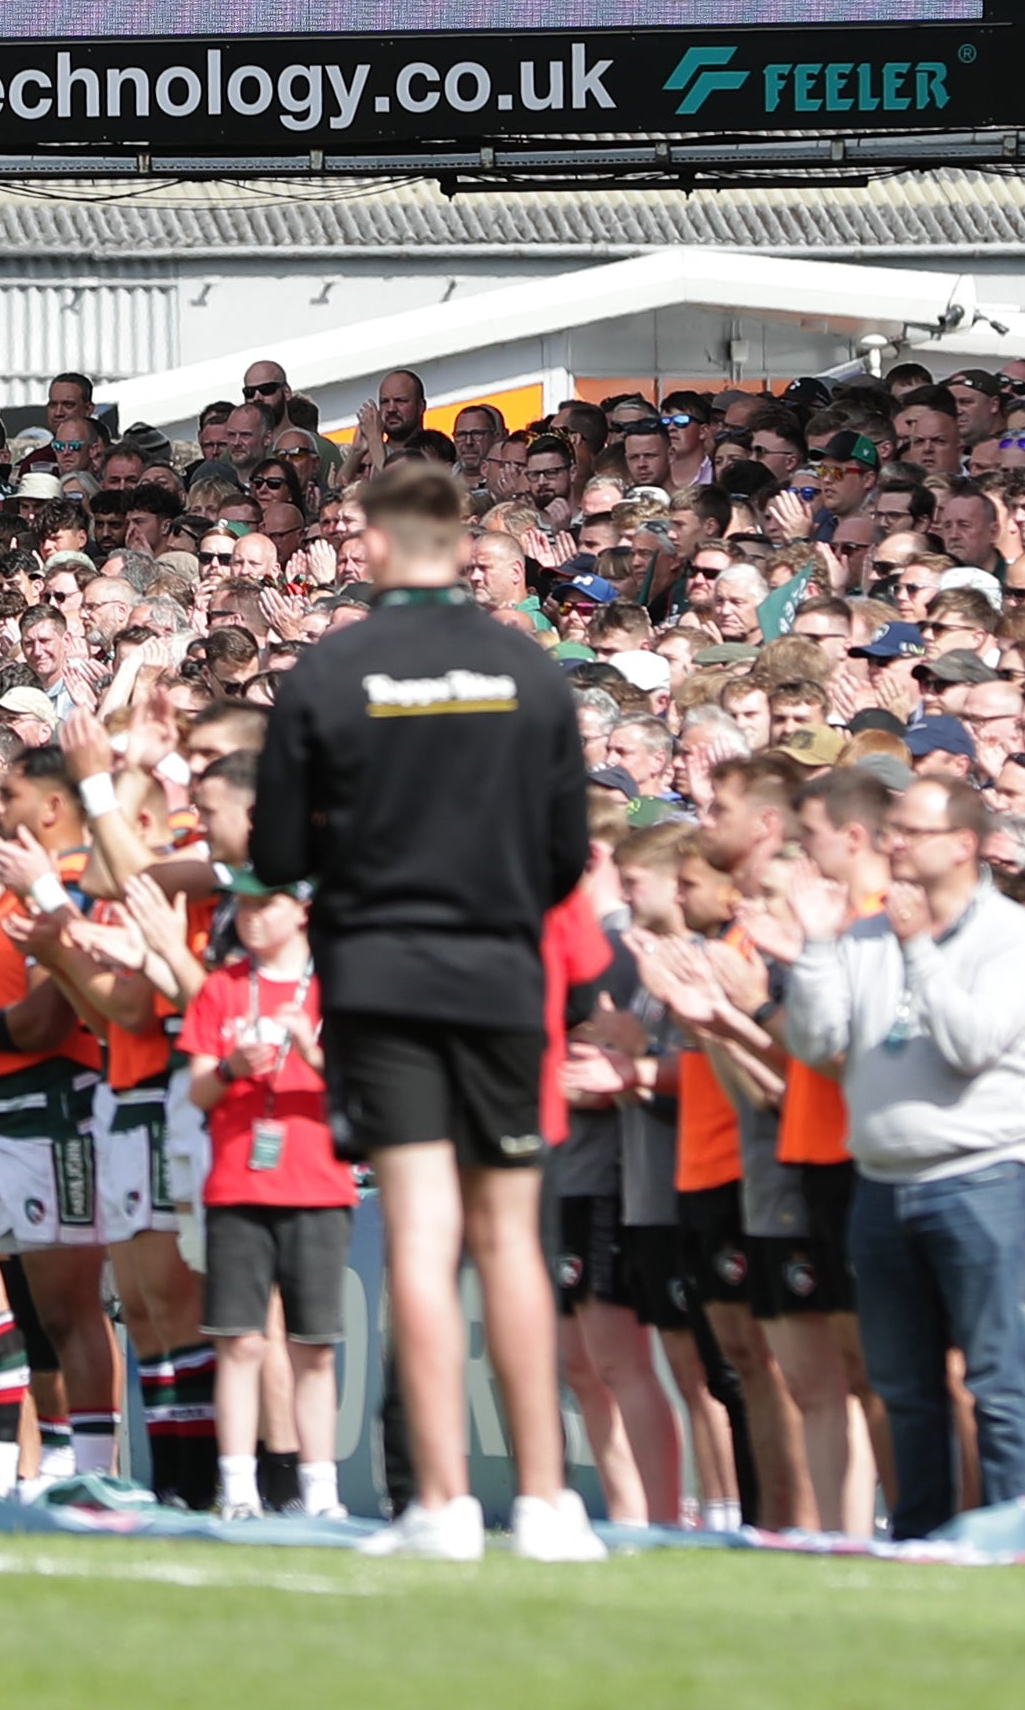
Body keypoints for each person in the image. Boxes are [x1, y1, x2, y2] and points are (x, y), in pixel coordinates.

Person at [250, 455, 601, 1561]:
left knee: (418, 1230)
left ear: (374, 545)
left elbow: (272, 854)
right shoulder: (528, 670)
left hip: (381, 976)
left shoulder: (329, 671)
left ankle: (440, 1502)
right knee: (509, 1236)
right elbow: (561, 855)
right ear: (461, 543)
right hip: (498, 975)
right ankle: (544, 1503)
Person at [763, 766, 1025, 1538]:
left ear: (963, 843)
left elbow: (970, 1044)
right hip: (882, 1181)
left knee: (991, 1373)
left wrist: (919, 947)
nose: (891, 843)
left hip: (976, 1175)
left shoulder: (1009, 935)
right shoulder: (862, 931)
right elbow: (820, 1041)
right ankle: (922, 1537)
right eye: (891, 830)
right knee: (902, 1383)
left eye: (910, 831)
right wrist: (818, 947)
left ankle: (1013, 1532)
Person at [182, 874, 353, 1519]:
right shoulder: (222, 988)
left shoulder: (333, 990)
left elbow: (362, 1094)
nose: (249, 919)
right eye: (243, 907)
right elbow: (198, 1091)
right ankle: (241, 1487)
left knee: (313, 1347)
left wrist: (312, 1054)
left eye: (264, 906)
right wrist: (230, 1068)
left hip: (317, 1184)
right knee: (239, 1342)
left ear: (301, 911)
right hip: (236, 1184)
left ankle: (320, 1490)